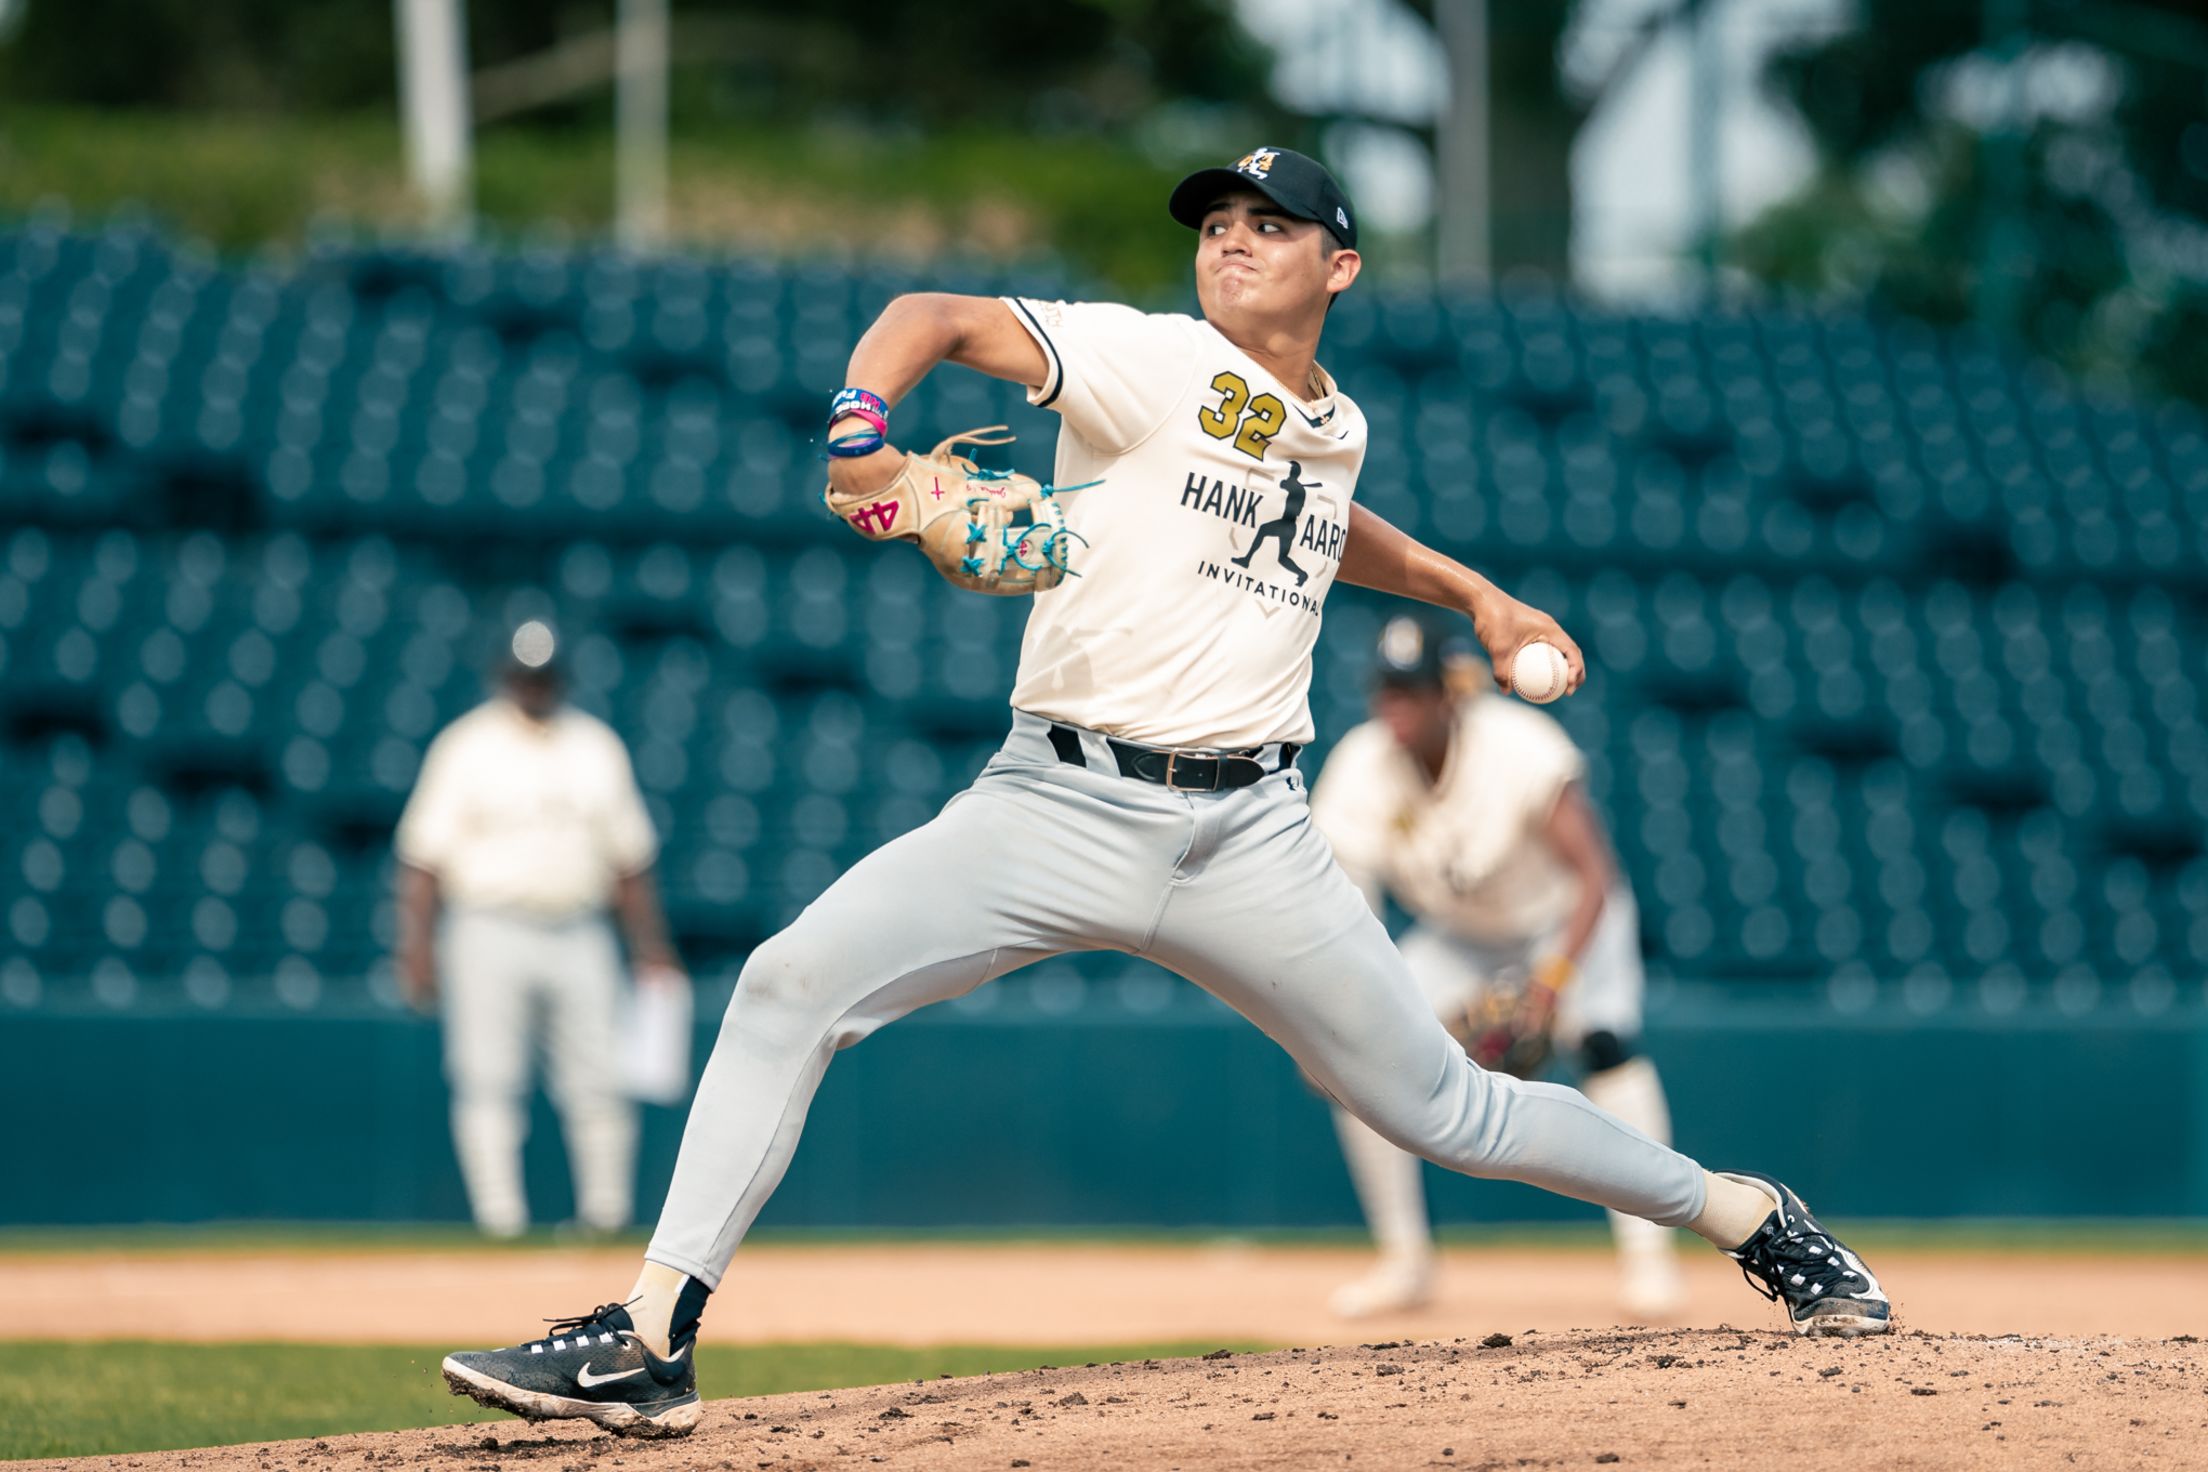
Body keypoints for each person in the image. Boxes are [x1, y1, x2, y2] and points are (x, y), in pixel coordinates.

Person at [440, 146, 1890, 1441]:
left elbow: (1326, 519)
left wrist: (1477, 596)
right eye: (1217, 223)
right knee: (784, 984)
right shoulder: (1150, 359)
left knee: (1449, 1109)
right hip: (1051, 806)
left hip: (1254, 835)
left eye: (1271, 223)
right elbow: (933, 319)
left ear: (1342, 265)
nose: (1232, 241)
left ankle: (1753, 1218)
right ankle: (649, 1339)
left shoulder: (1331, 425)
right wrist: (861, 424)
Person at [1312, 615, 1685, 1321]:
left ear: (1450, 694)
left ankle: (1650, 1263)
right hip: (1462, 936)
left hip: (1564, 917)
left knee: (1605, 1047)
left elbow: (1595, 876)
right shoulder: (1361, 764)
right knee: (1356, 1057)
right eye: (1388, 691)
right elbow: (1346, 908)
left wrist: (1550, 983)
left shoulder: (1515, 744)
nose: (1397, 706)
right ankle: (1406, 1264)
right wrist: (1338, 1010)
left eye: (1413, 691)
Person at [395, 620, 689, 1240]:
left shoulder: (594, 746)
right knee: (488, 1076)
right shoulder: (466, 746)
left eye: (544, 674)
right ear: (504, 676)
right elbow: (422, 859)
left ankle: (604, 1217)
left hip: (580, 928)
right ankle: (499, 1223)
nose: (534, 685)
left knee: (601, 1079)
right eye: (524, 674)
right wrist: (416, 948)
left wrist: (652, 948)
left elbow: (630, 861)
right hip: (486, 926)